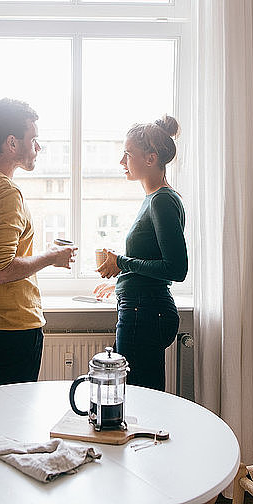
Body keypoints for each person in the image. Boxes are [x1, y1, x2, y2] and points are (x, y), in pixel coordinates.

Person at [0, 98, 77, 387]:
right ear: (11, 143)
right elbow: (1, 269)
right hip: (12, 325)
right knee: (14, 414)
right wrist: (52, 257)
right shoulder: (5, 191)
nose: (38, 147)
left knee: (3, 408)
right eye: (33, 139)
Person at [93, 115, 188, 391]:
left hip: (146, 311)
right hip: (141, 306)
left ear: (150, 158)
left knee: (137, 395)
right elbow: (152, 262)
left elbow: (175, 269)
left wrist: (121, 263)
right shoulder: (155, 199)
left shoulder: (162, 201)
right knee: (134, 392)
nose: (122, 162)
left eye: (127, 154)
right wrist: (123, 280)